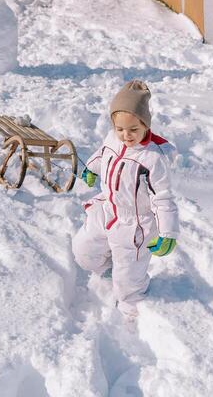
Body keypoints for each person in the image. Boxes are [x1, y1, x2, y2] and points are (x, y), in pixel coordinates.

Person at [72, 80, 179, 319]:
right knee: (83, 251)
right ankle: (110, 269)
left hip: (135, 225)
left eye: (133, 129)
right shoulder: (113, 139)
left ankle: (131, 321)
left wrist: (168, 233)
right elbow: (102, 154)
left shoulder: (152, 158)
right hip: (107, 210)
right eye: (120, 128)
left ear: (145, 125)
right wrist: (91, 168)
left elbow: (163, 198)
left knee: (129, 285)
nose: (125, 135)